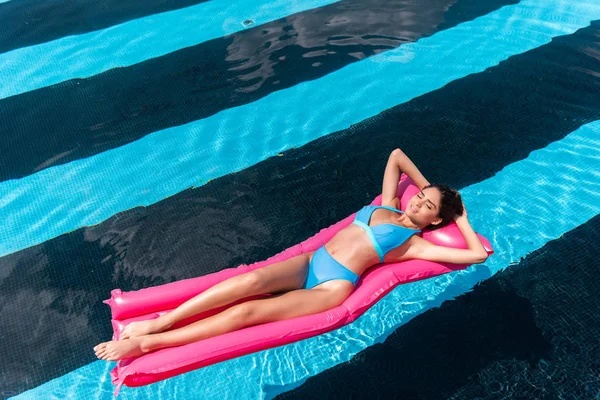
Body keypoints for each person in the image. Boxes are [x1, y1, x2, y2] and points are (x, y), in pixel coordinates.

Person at [94, 148, 488, 361]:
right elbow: (397, 155)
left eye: (427, 207)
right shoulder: (389, 204)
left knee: (246, 313)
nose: (417, 203)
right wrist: (433, 189)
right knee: (246, 282)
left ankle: (148, 344)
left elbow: (476, 256)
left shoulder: (414, 242)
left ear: (435, 222)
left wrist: (461, 217)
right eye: (419, 197)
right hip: (311, 262)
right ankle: (161, 323)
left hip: (331, 286)